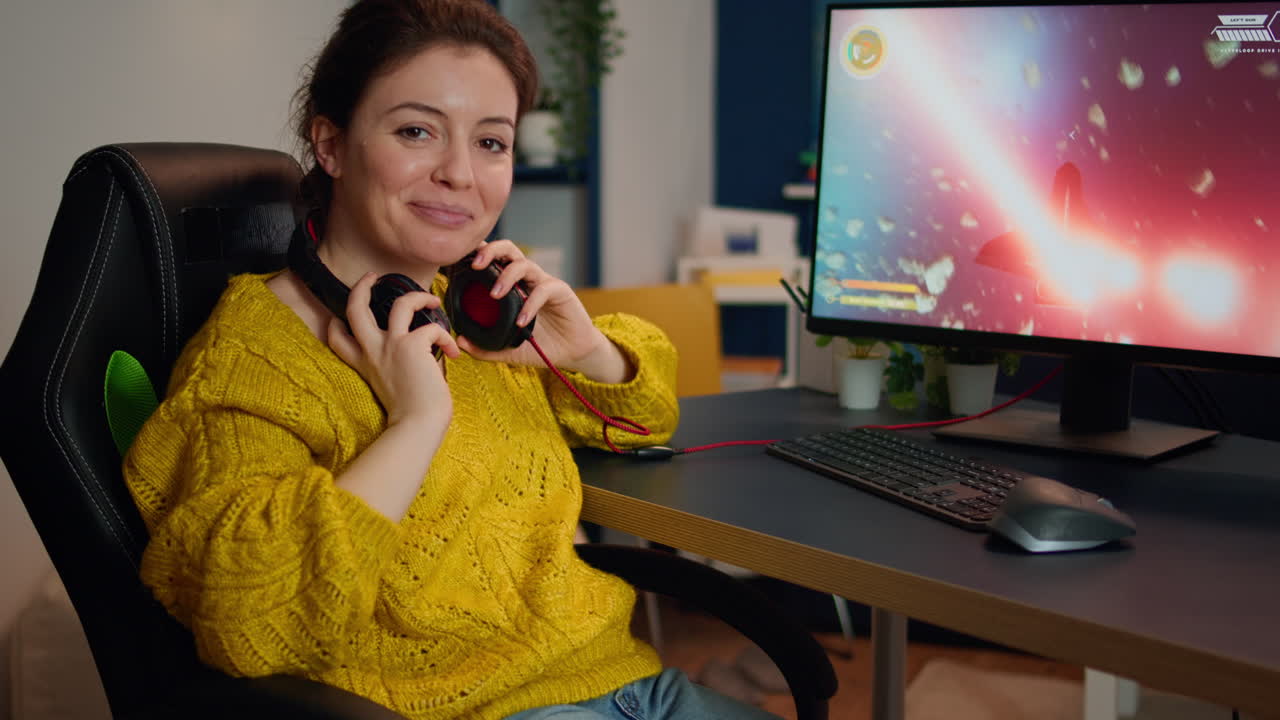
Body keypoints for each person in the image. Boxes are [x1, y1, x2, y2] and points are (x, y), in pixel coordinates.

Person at [122, 1, 782, 718]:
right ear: (332, 144)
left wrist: (586, 350)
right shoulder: (256, 355)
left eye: (492, 143)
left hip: (627, 686)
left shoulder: (469, 307)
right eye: (416, 131)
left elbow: (644, 420)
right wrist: (416, 422)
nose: (461, 175)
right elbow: (248, 615)